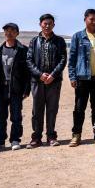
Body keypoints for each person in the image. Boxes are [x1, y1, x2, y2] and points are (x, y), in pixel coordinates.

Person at [68, 9, 95, 147]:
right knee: (79, 108)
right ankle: (76, 134)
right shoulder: (78, 36)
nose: (94, 22)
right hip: (82, 78)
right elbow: (72, 59)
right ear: (85, 19)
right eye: (91, 19)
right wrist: (72, 76)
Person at [26, 13, 67, 148]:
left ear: (53, 25)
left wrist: (53, 75)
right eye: (45, 23)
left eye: (50, 23)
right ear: (40, 25)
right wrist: (39, 75)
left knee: (52, 109)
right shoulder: (34, 41)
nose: (47, 26)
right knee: (37, 110)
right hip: (37, 81)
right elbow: (29, 60)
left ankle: (51, 136)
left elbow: (63, 60)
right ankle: (36, 138)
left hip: (54, 82)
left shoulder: (59, 41)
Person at [0, 23, 30, 152]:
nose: (9, 33)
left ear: (17, 33)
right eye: (7, 30)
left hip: (16, 89)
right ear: (4, 33)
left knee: (16, 116)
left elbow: (27, 72)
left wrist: (26, 89)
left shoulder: (23, 50)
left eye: (12, 30)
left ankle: (15, 140)